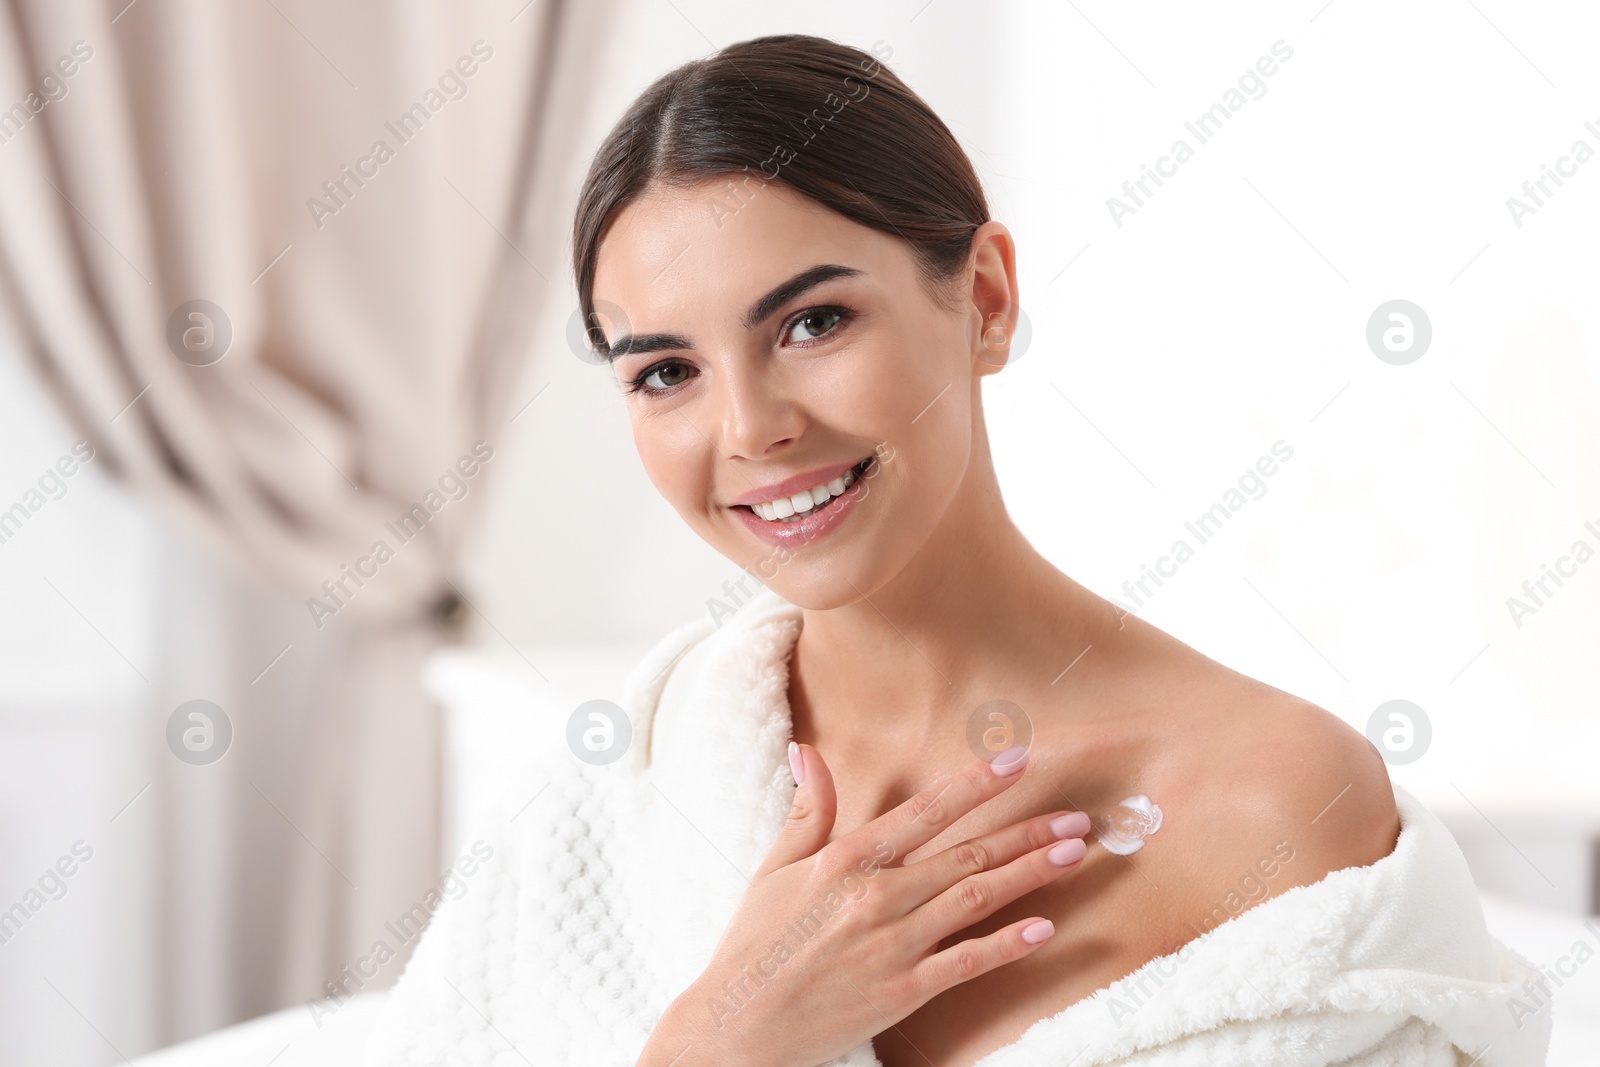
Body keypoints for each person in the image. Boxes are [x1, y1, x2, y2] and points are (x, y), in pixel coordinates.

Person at [364, 32, 1548, 1067]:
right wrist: (719, 1040)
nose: (750, 428)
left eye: (812, 321)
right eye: (665, 371)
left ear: (982, 298)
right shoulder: (636, 781)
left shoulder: (1273, 799)